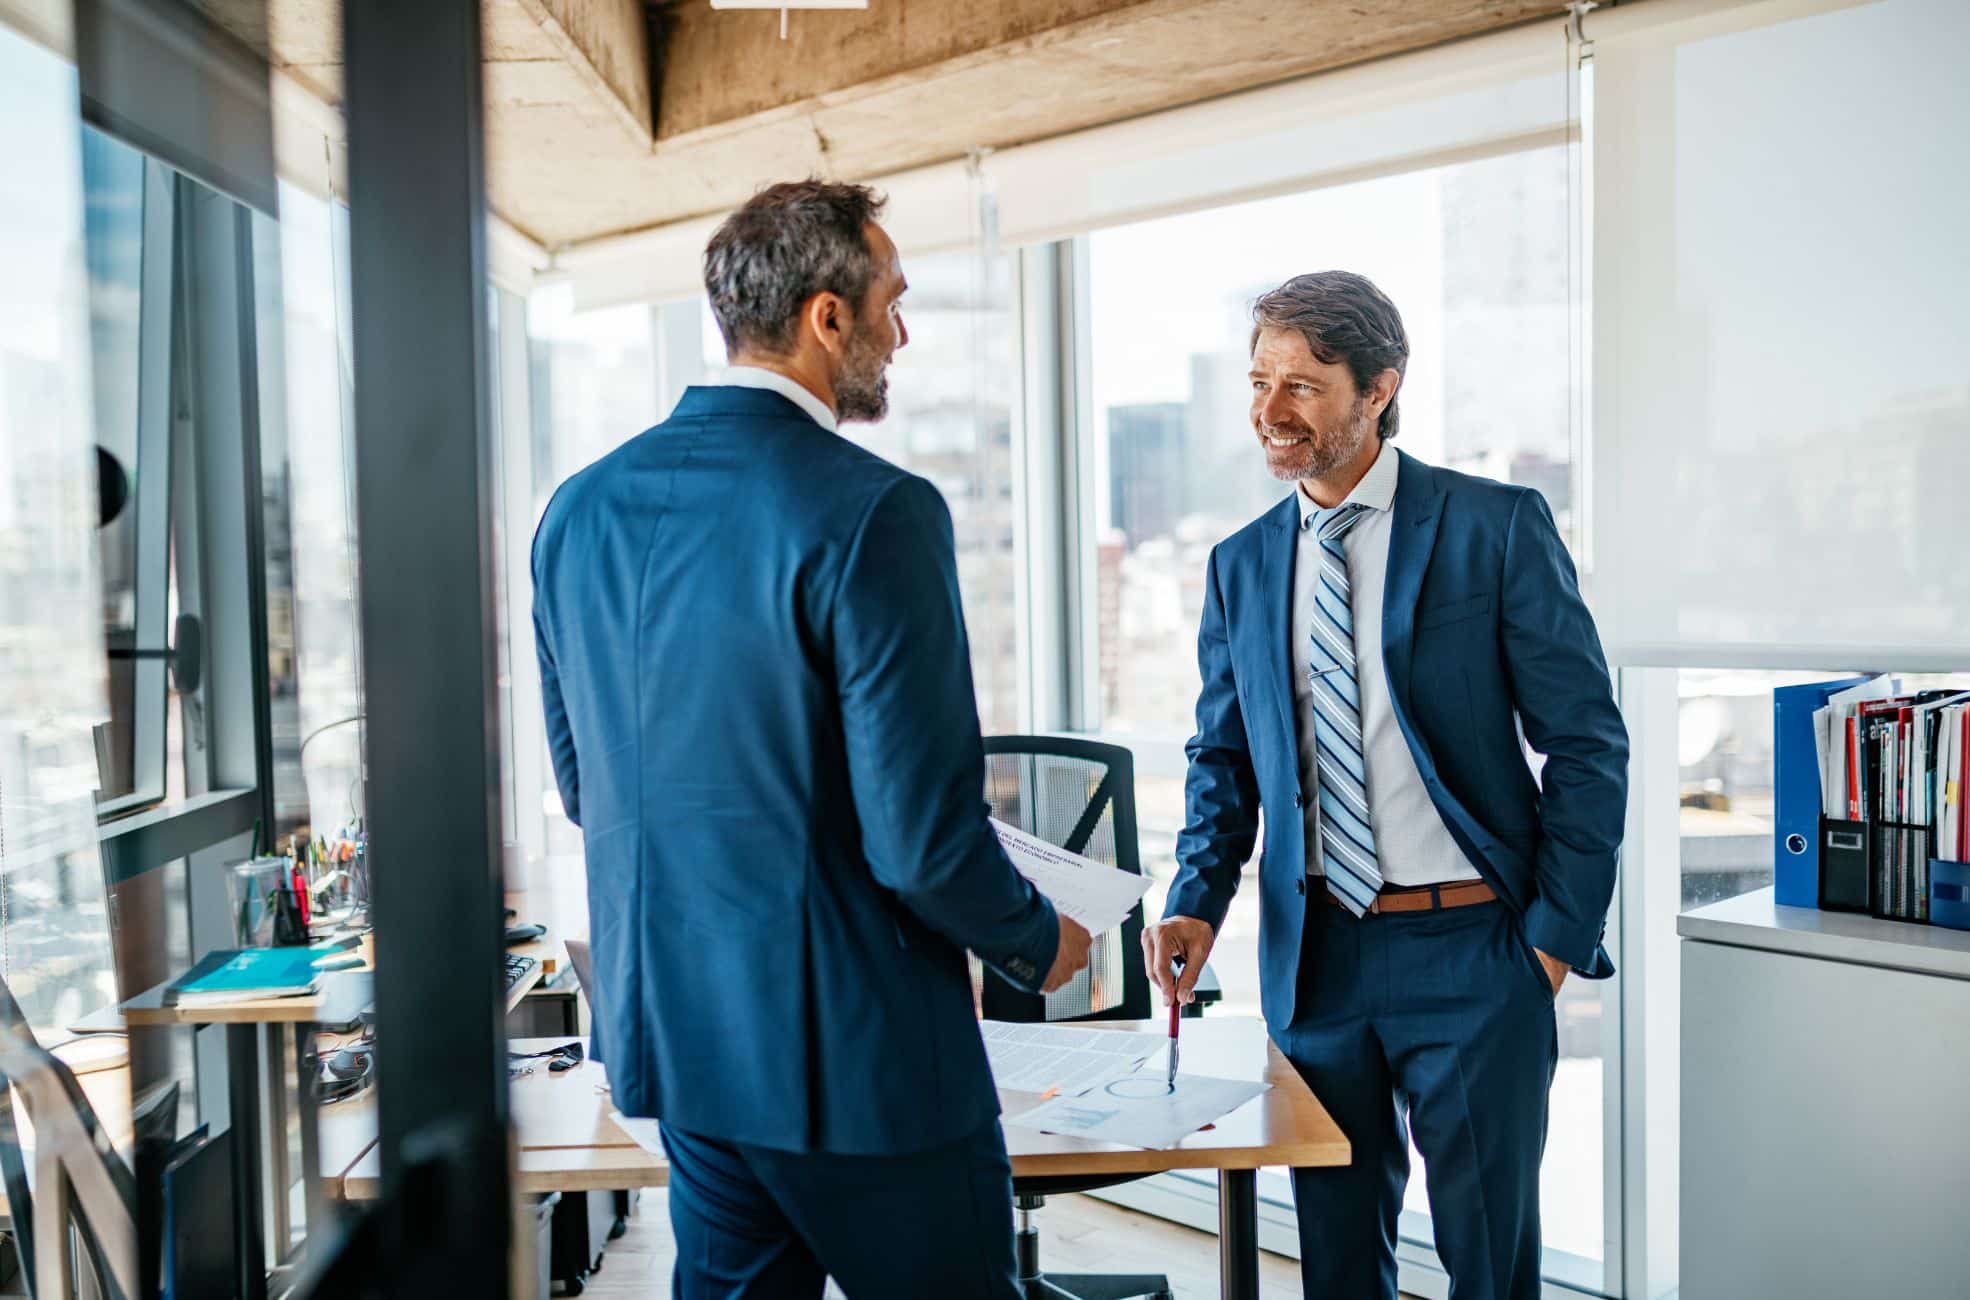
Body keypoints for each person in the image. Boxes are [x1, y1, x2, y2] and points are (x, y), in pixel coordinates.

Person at [531, 179, 1091, 1299]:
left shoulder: (577, 511)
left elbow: (591, 789)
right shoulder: (875, 511)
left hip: (685, 1047)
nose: (901, 333)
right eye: (892, 302)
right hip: (858, 1061)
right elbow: (921, 843)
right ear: (826, 317)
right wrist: (1041, 939)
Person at [1142, 271, 1628, 1299]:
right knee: (1335, 1268)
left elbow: (1586, 744)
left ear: (1378, 388)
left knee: (1488, 1267)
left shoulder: (1493, 526)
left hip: (1476, 954)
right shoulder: (1239, 565)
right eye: (1259, 382)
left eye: (1303, 385)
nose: (1270, 411)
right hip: (1317, 963)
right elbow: (1222, 757)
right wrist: (1194, 899)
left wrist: (1548, 945)